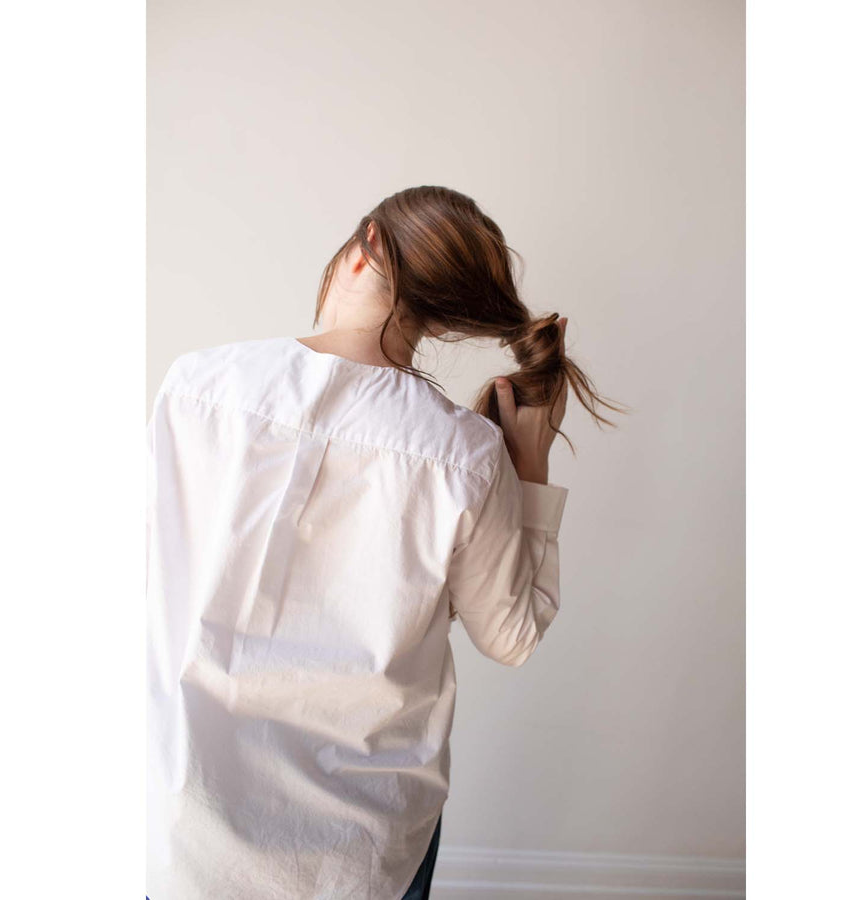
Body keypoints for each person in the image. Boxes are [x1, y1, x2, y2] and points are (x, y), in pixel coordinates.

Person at [146, 186, 620, 899]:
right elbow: (511, 636)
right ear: (448, 313)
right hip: (361, 847)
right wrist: (529, 471)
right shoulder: (466, 453)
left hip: (185, 820)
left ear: (367, 244)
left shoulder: (198, 387)